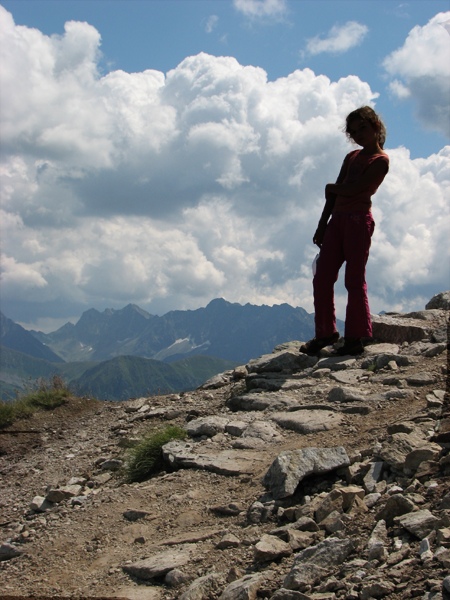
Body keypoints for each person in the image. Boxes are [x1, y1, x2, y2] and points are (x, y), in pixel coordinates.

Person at [301, 106, 389, 356]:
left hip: (359, 221)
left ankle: (355, 337)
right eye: (354, 132)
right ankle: (325, 333)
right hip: (337, 221)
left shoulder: (380, 160)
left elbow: (354, 189)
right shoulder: (351, 157)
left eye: (363, 128)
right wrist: (322, 225)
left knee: (354, 279)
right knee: (323, 276)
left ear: (375, 126)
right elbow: (336, 193)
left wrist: (332, 188)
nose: (359, 134)